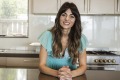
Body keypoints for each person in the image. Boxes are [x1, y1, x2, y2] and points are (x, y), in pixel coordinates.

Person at [38, 1, 88, 79]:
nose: (67, 19)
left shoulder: (80, 38)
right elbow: (41, 65)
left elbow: (83, 66)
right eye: (63, 15)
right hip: (49, 77)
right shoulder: (47, 35)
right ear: (59, 17)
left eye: (72, 16)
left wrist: (70, 74)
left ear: (75, 20)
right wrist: (58, 73)